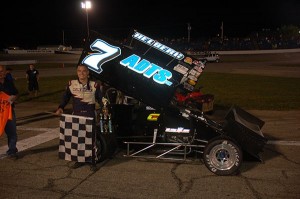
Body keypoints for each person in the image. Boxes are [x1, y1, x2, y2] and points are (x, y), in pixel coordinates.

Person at [55, 64, 102, 170]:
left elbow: (100, 99)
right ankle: (79, 160)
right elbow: (65, 98)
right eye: (79, 71)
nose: (81, 73)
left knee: (91, 140)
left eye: (84, 71)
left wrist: (105, 108)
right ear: (77, 72)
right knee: (77, 139)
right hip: (76, 116)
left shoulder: (94, 85)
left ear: (88, 73)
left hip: (90, 116)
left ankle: (92, 161)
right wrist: (61, 107)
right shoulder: (71, 84)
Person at [0, 65, 19, 158]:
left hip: (9, 112)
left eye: (2, 71)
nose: (1, 73)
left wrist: (14, 97)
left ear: (5, 72)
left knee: (12, 132)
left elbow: (16, 93)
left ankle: (12, 150)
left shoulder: (9, 82)